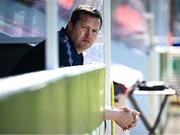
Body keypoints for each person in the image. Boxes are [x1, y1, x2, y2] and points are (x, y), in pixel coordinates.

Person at [11, 5, 140, 130]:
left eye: (94, 31)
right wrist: (116, 115)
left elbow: (76, 100)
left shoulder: (74, 51)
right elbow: (70, 102)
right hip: (17, 118)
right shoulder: (61, 47)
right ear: (71, 25)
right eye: (84, 27)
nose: (89, 35)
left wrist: (117, 112)